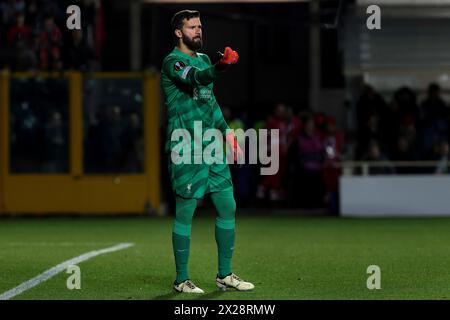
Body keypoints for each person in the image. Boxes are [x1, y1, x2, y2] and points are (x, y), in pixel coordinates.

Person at [161, 10, 254, 294]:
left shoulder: (202, 58)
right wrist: (220, 67)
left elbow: (209, 101)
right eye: (192, 27)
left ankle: (225, 274)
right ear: (179, 32)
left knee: (228, 205)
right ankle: (181, 280)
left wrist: (228, 134)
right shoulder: (172, 62)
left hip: (210, 145)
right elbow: (195, 79)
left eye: (200, 26)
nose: (198, 31)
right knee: (186, 210)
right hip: (185, 144)